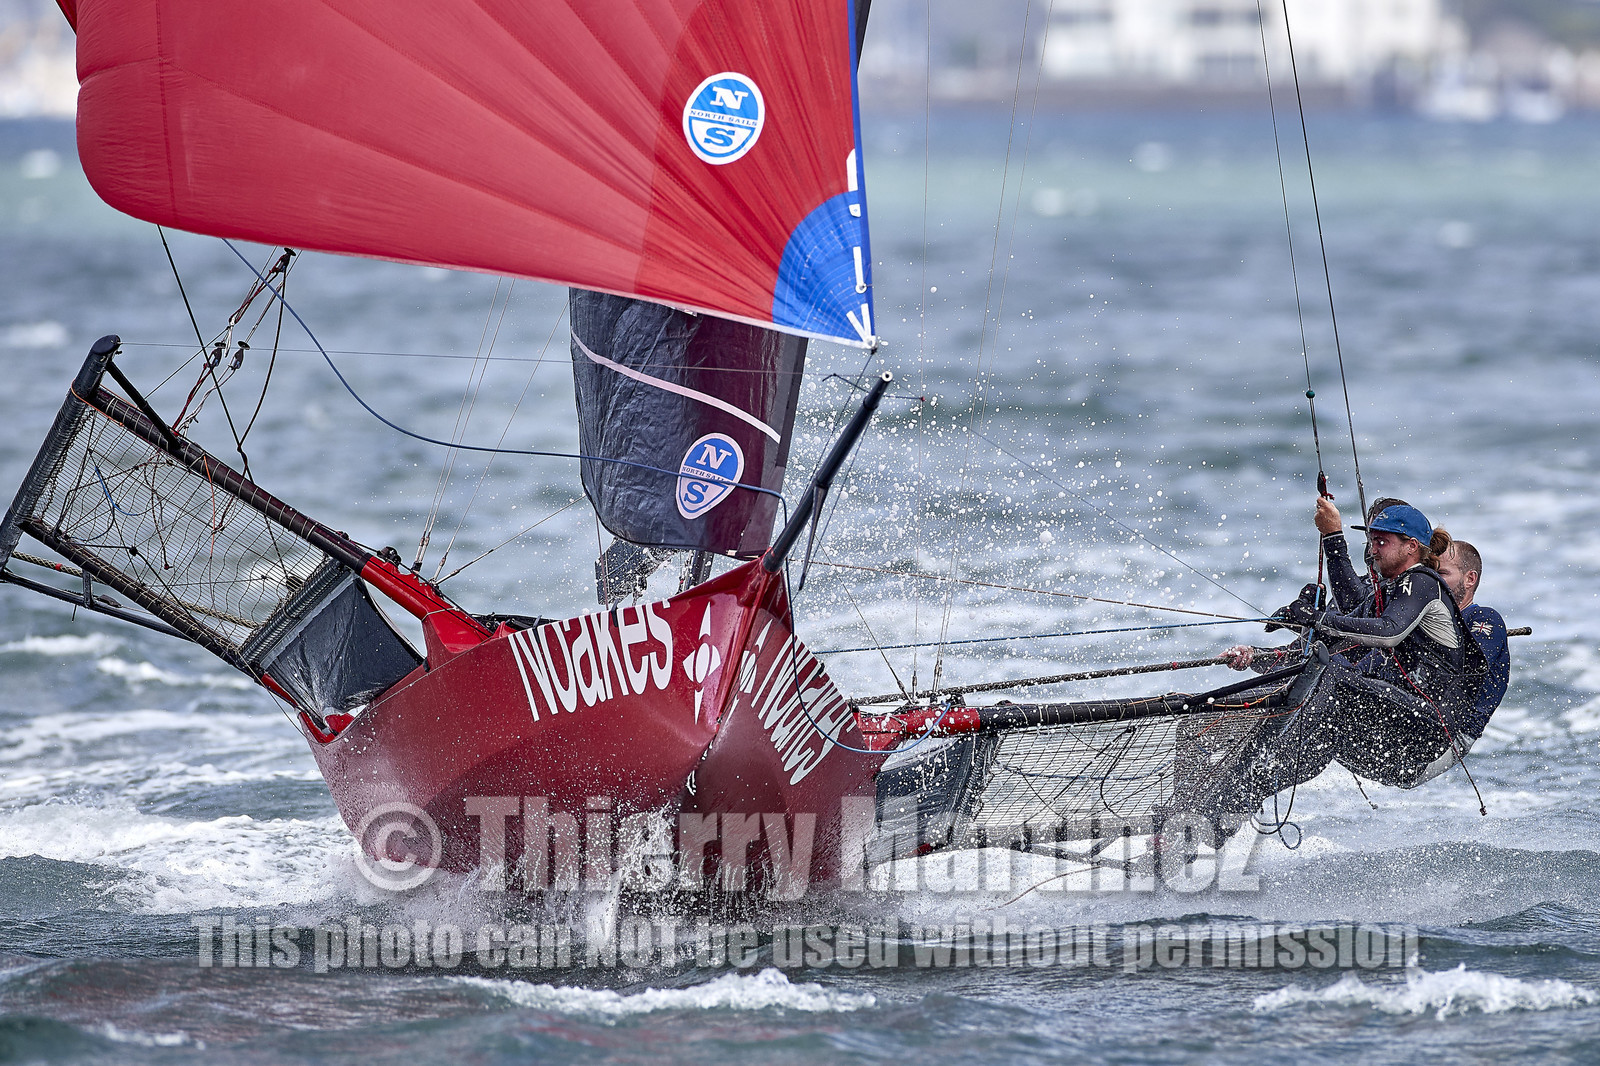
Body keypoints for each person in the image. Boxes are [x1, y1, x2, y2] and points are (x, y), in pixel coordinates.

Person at [1213, 500, 1488, 817]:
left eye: (1381, 541)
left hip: (1431, 725)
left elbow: (1387, 632)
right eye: (1371, 541)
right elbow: (1336, 639)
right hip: (1399, 720)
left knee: (1331, 681)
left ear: (1412, 546)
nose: (1372, 550)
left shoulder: (1422, 582)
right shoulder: (1390, 589)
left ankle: (1239, 777)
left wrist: (1318, 617)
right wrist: (1291, 628)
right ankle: (1236, 798)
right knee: (1325, 732)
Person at [1436, 539, 1510, 736]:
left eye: (1441, 573)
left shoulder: (1486, 618)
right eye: (1429, 572)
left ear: (1470, 579)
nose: (1432, 580)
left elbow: (1468, 669)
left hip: (1451, 735)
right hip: (1412, 719)